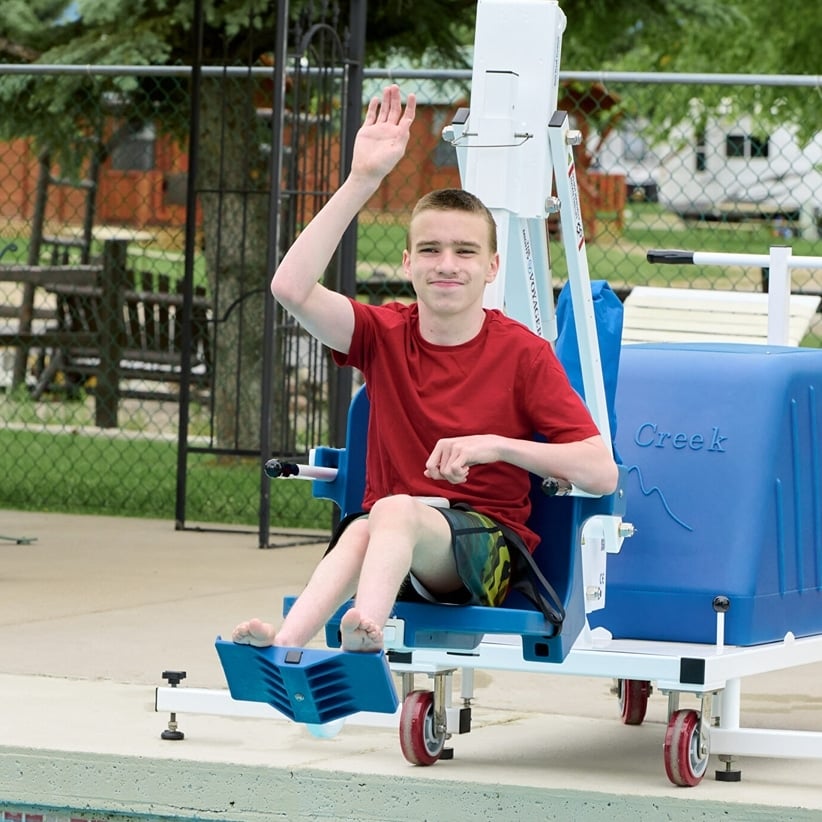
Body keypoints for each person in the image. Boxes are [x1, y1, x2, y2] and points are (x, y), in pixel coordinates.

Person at [233, 84, 618, 653]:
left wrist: (497, 445)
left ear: (491, 268)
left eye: (464, 252)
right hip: (400, 543)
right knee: (367, 524)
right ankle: (286, 642)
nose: (447, 265)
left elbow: (600, 472)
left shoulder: (523, 354)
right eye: (431, 250)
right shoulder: (384, 334)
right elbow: (290, 288)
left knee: (387, 511)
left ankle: (367, 629)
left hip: (487, 558)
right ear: (408, 263)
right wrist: (362, 179)